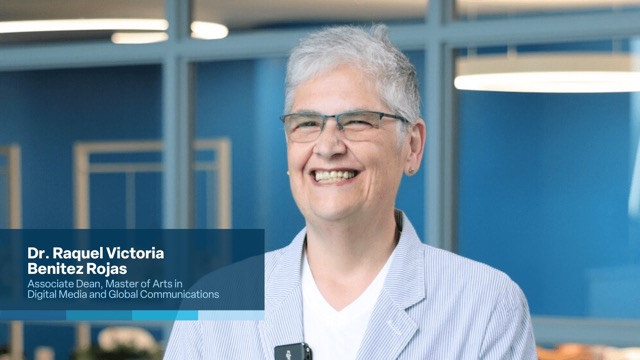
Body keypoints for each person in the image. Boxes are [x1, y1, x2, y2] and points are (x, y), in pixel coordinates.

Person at [165, 24, 537, 359]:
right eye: (307, 123)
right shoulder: (214, 308)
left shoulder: (486, 306)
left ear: (412, 146)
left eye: (357, 121)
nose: (327, 147)